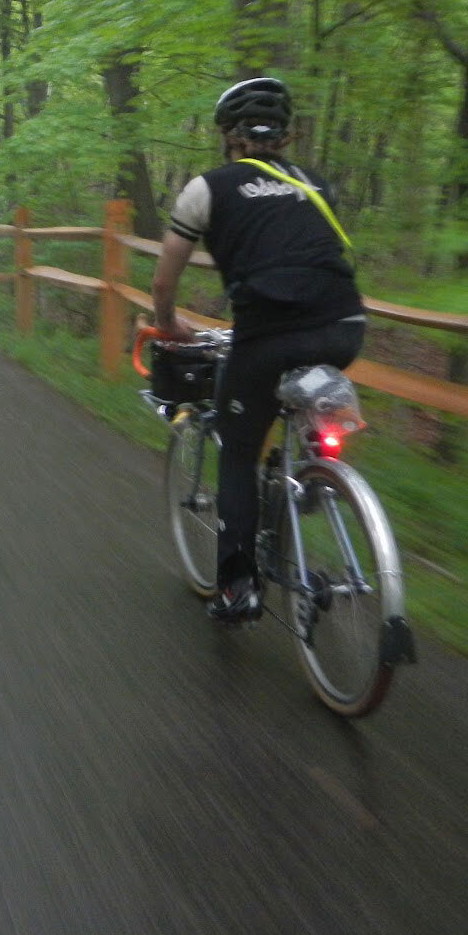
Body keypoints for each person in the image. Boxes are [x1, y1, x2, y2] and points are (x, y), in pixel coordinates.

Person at [151, 76, 366, 621]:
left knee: (238, 450)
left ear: (229, 135)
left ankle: (237, 586)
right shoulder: (322, 188)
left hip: (267, 335)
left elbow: (163, 280)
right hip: (344, 326)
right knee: (300, 398)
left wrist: (168, 323)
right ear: (286, 136)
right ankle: (314, 471)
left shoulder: (207, 189)